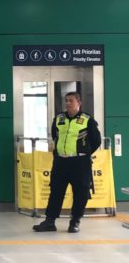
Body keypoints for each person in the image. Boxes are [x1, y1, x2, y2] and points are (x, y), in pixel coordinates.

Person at [33, 91, 101, 234]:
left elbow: (96, 141)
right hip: (61, 162)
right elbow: (55, 135)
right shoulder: (59, 118)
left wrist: (84, 153)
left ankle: (75, 221)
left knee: (80, 193)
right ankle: (50, 221)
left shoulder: (87, 119)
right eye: (66, 101)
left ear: (79, 103)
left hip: (80, 162)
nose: (68, 103)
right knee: (56, 191)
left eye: (71, 101)